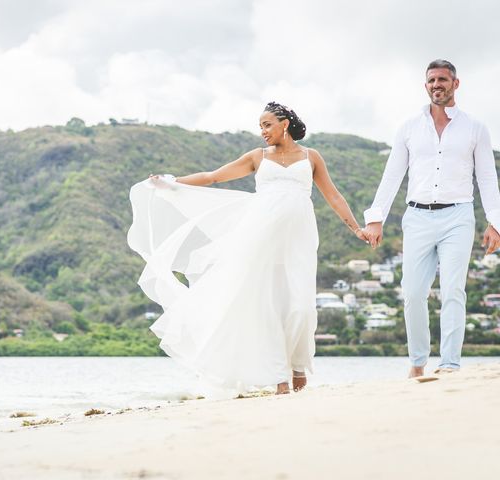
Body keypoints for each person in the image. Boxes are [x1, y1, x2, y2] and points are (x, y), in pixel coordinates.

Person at [128, 102, 368, 395]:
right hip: (259, 239)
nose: (263, 132)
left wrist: (356, 228)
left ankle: (298, 365)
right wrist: (172, 182)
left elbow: (333, 195)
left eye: (267, 125)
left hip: (300, 240)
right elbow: (213, 177)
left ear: (285, 124)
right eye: (260, 126)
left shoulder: (311, 157)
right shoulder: (257, 157)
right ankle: (280, 377)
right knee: (266, 305)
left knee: (301, 307)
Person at [362, 59, 500, 378]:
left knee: (453, 290)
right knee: (412, 292)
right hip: (417, 216)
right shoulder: (408, 127)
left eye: (443, 79)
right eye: (431, 80)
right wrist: (375, 217)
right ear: (426, 85)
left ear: (455, 83)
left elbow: (488, 179)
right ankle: (417, 363)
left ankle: (450, 363)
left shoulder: (475, 128)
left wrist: (495, 223)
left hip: (459, 216)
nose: (437, 84)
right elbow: (392, 174)